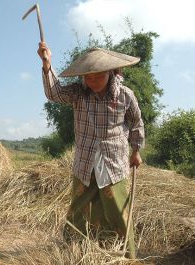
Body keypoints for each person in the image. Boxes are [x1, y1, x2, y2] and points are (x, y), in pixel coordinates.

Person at [37, 43, 145, 259]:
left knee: (117, 208)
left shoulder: (124, 95)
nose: (93, 82)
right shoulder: (78, 93)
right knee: (79, 209)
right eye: (88, 77)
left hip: (113, 161)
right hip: (85, 160)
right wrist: (47, 63)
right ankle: (73, 252)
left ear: (110, 73)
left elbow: (136, 123)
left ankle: (125, 255)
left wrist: (136, 150)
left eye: (98, 77)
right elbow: (54, 93)